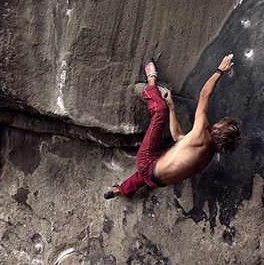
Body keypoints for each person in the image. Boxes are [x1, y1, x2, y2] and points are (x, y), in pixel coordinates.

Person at [104, 54, 242, 199]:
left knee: (159, 112)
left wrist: (219, 71)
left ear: (216, 130)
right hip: (156, 181)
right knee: (146, 174)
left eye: (220, 123)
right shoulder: (207, 156)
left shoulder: (202, 133)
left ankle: (151, 80)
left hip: (147, 163)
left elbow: (204, 95)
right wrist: (172, 107)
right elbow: (179, 138)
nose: (217, 122)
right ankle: (119, 190)